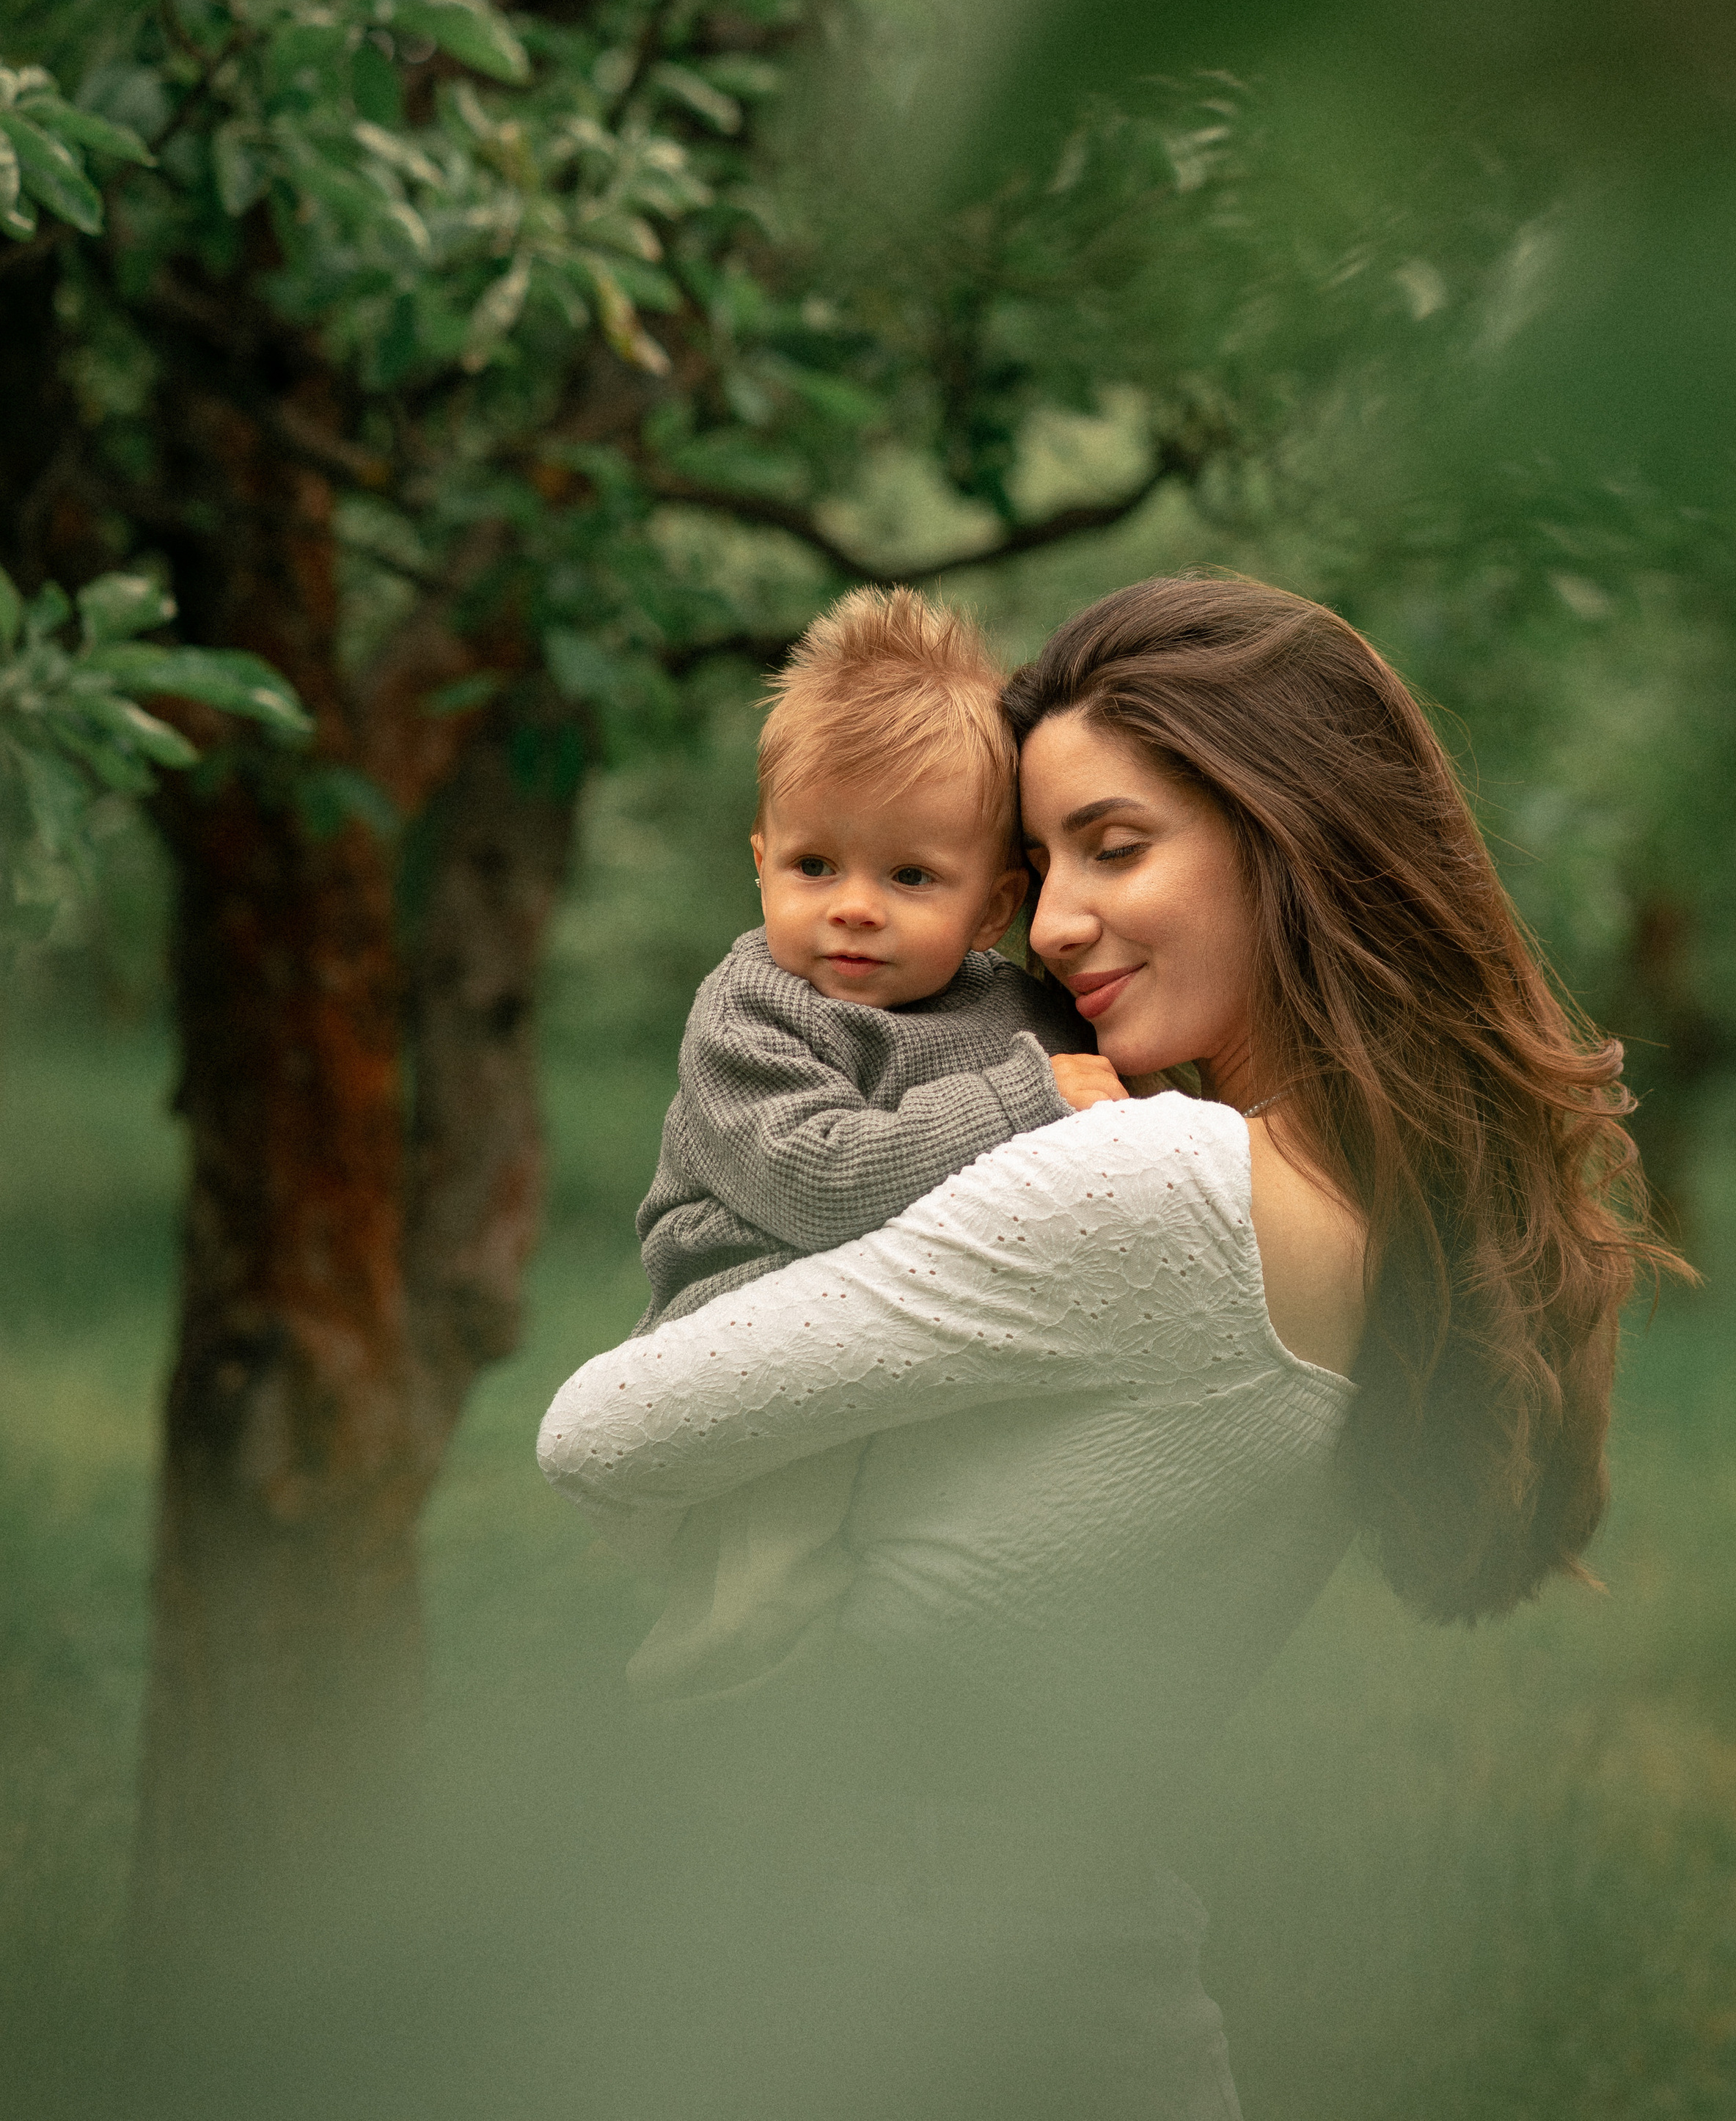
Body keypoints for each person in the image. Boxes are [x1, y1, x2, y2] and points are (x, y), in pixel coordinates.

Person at [538, 576, 1656, 2120]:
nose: (1053, 922)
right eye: (1041, 860)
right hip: (1095, 1980)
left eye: (1113, 847)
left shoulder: (1157, 1181)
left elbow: (599, 1430)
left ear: (1288, 839)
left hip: (873, 1995)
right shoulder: (1414, 1242)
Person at [621, 582, 1097, 1693]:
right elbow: (821, 1179)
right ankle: (706, 1709)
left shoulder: (1016, 1013)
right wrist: (1024, 1103)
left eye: (911, 876)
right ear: (760, 861)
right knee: (775, 1578)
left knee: (943, 1551)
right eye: (814, 865)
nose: (853, 907)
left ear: (992, 909)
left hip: (930, 1315)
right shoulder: (758, 1008)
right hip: (757, 1312)